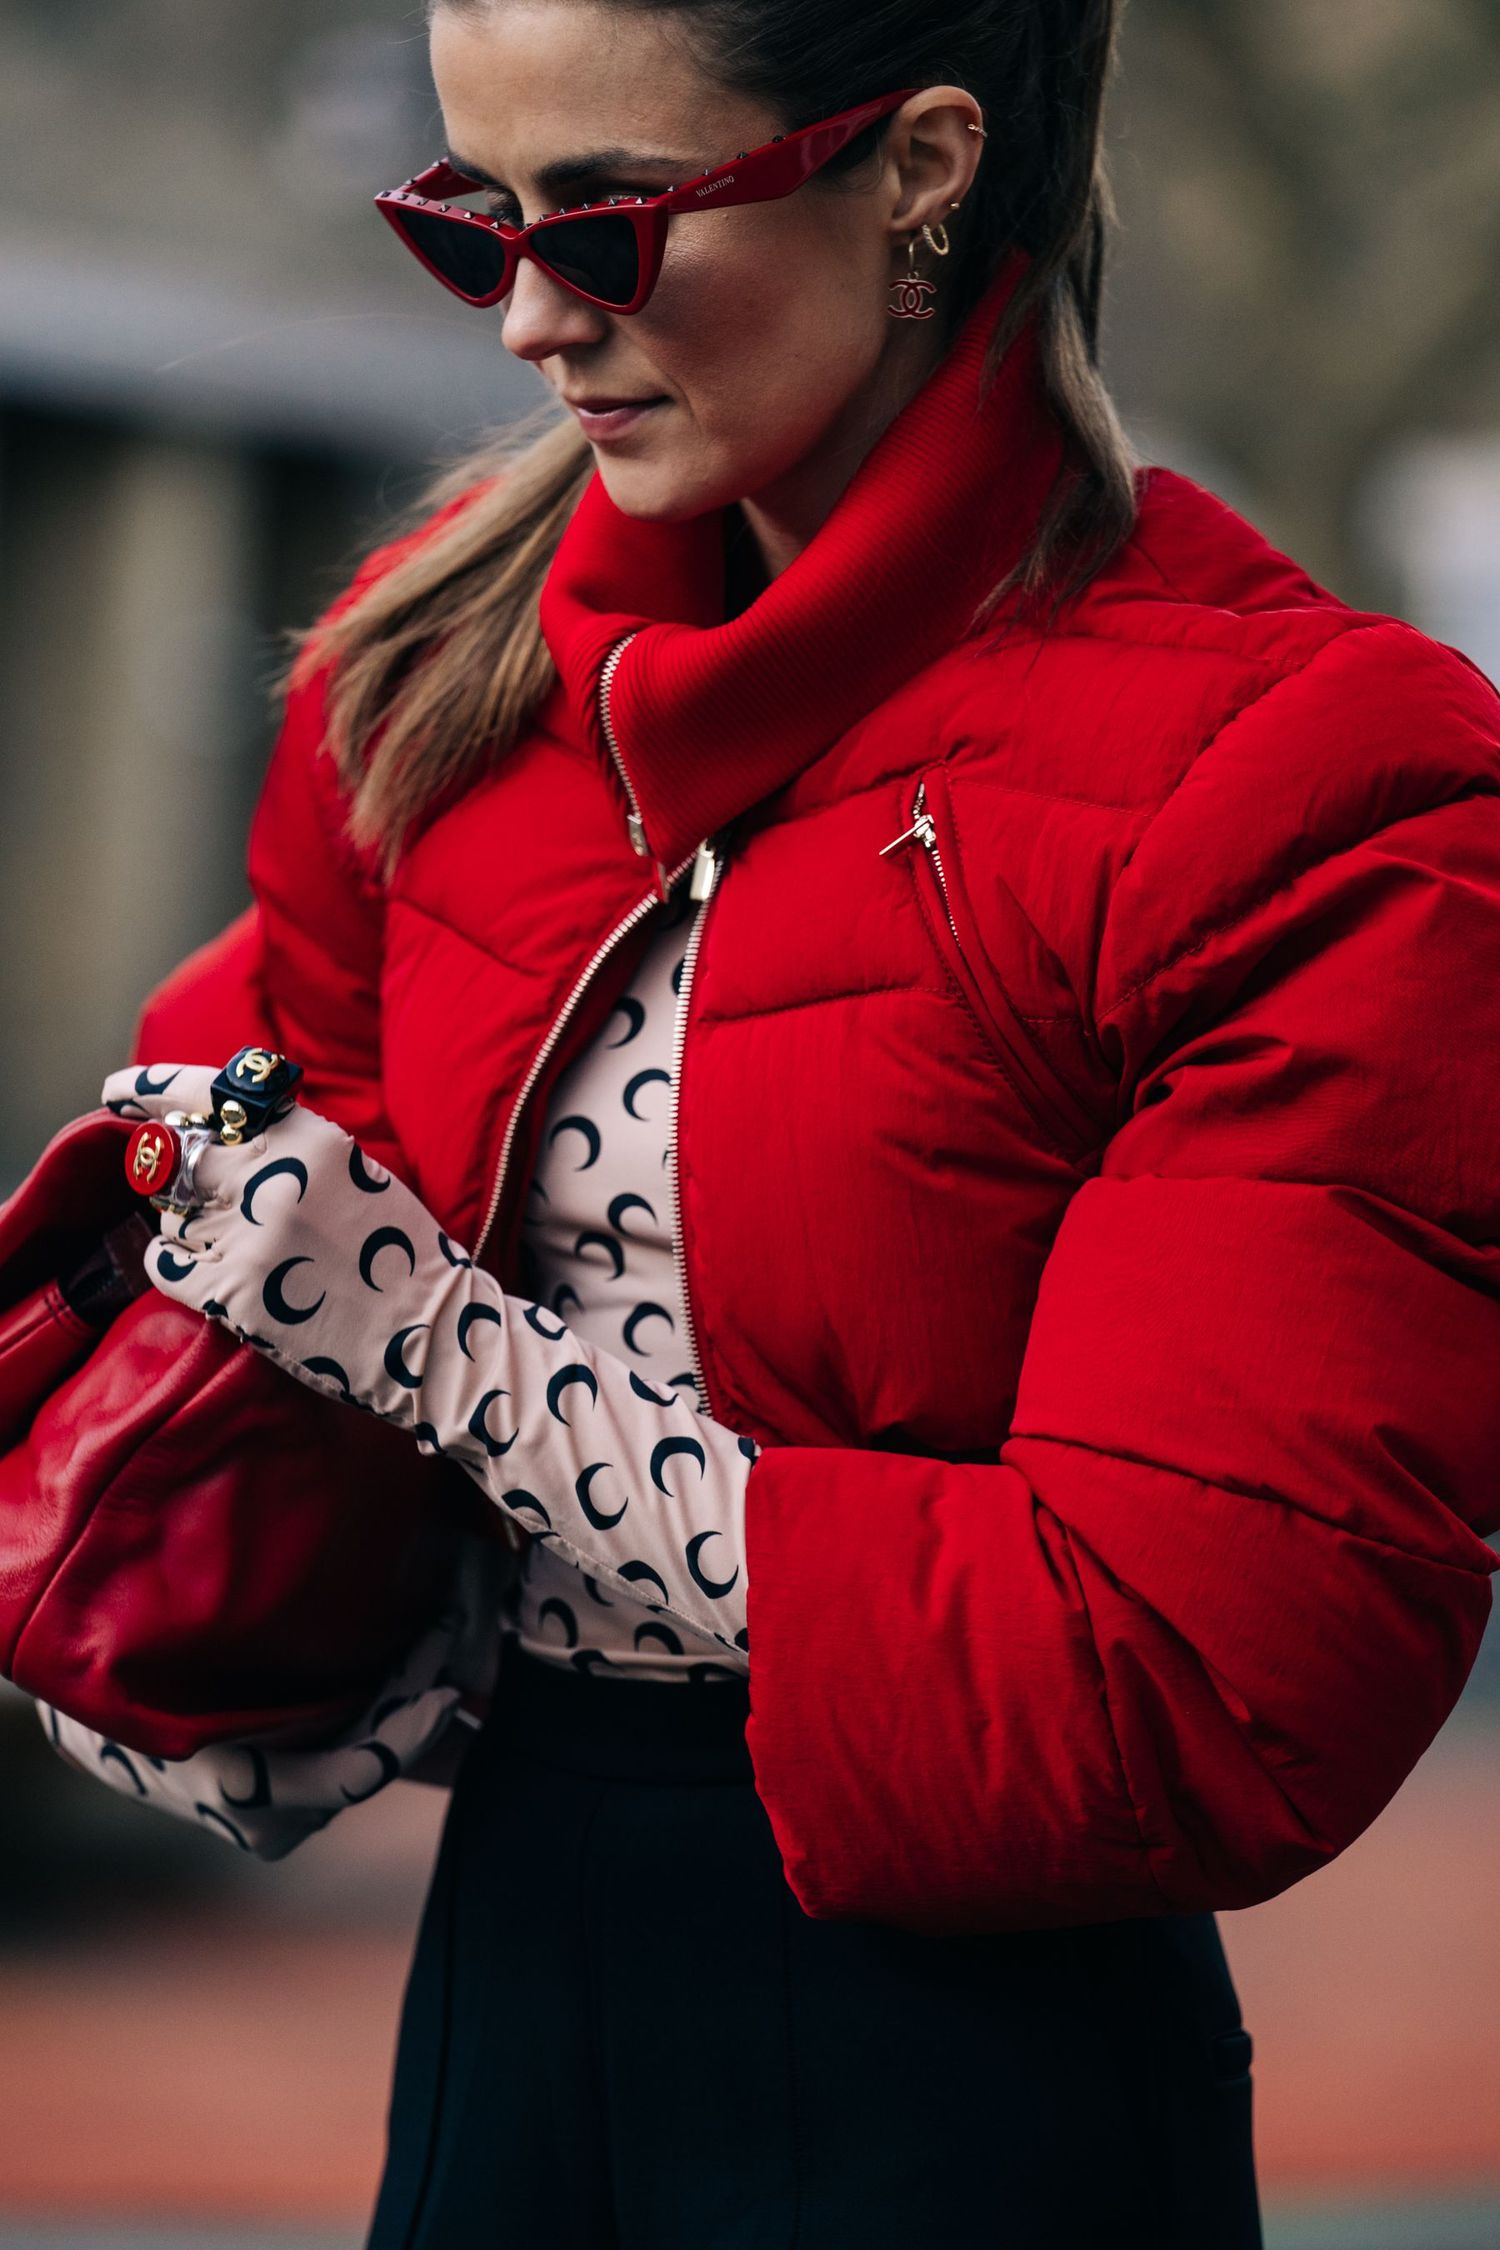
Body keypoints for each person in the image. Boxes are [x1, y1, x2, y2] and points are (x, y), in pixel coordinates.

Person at [38, 0, 1500, 2243]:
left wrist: (436, 1352)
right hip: (513, 1956)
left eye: (607, 222)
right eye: (469, 223)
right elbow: (264, 1283)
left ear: (918, 165)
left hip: (970, 2057)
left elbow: (1184, 1679)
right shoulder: (433, 673)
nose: (531, 320)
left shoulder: (1319, 786)